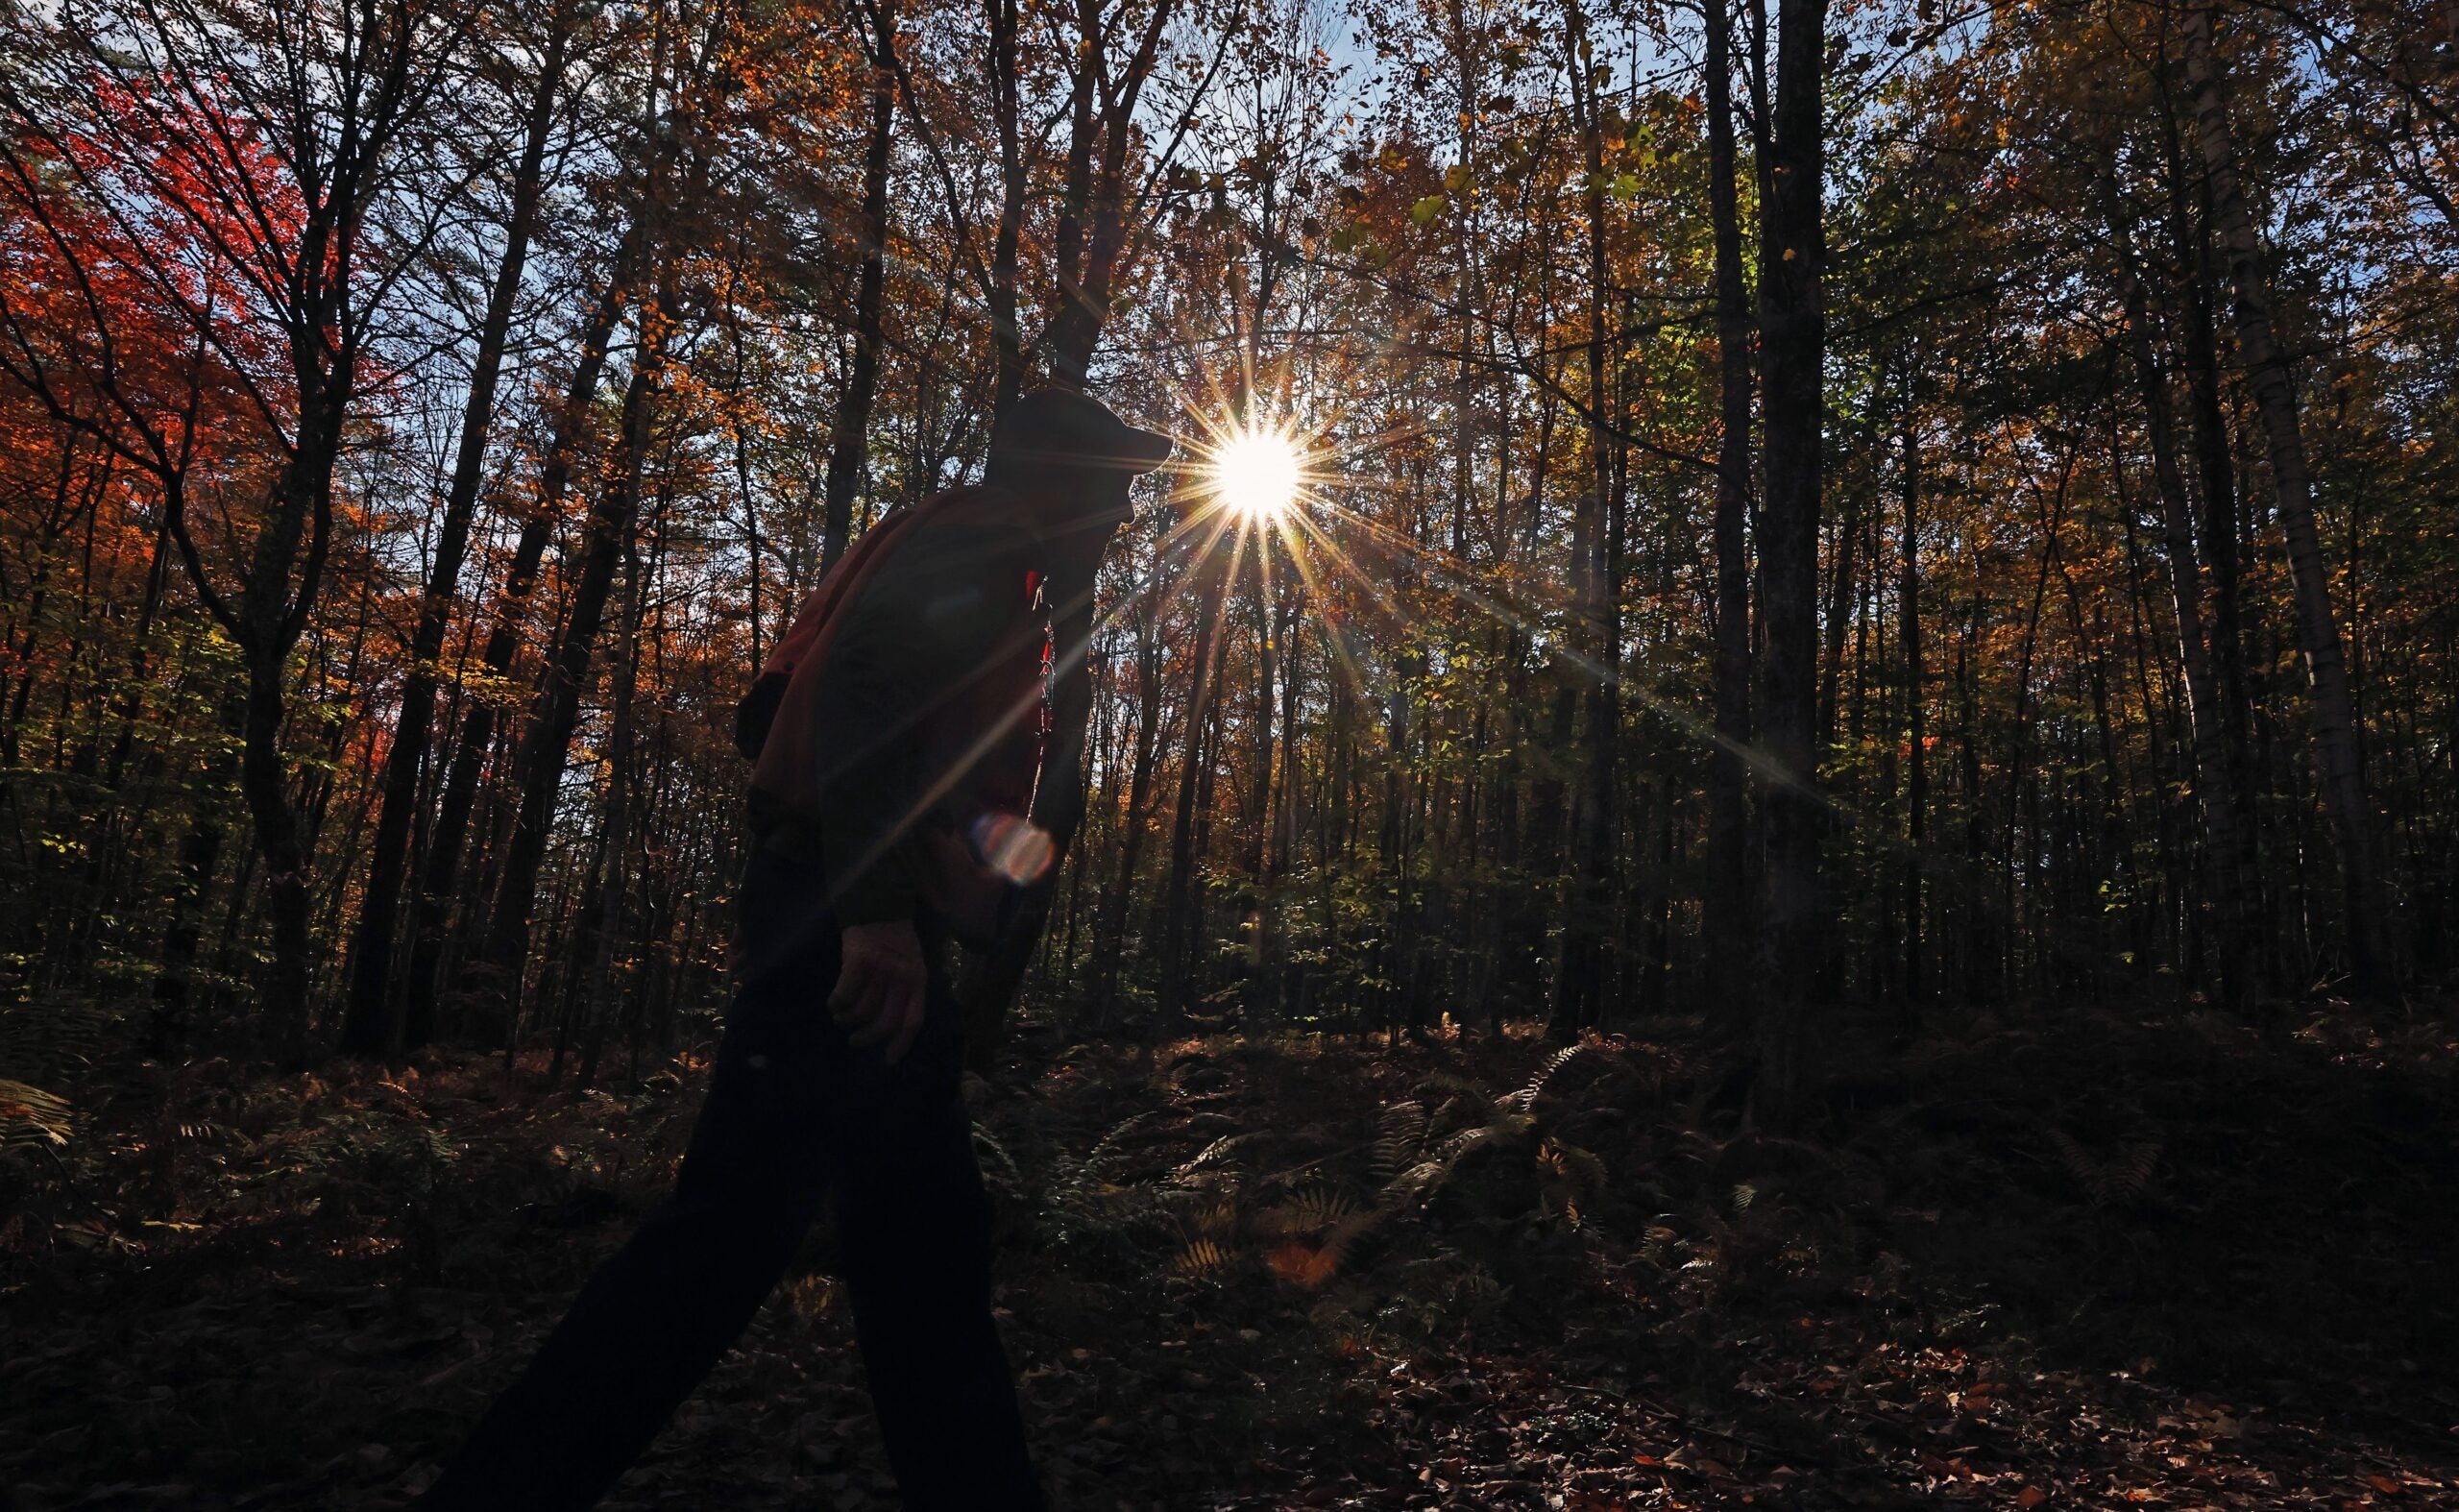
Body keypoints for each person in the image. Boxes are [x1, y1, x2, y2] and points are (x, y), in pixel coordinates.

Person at [416, 387, 1176, 1512]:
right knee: (743, 1242)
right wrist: (872, 909)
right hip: (845, 917)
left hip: (827, 898)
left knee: (908, 1248)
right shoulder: (979, 545)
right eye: (1111, 480)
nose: (1123, 505)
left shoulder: (930, 537)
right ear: (1055, 473)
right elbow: (863, 689)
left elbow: (769, 710)